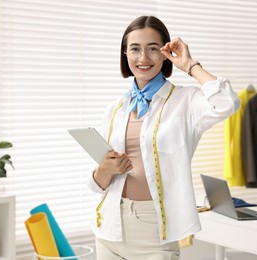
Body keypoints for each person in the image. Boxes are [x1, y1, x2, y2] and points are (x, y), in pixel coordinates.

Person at [88, 15, 240, 259]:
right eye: (135, 49)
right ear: (125, 54)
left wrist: (190, 65)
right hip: (109, 227)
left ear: (166, 53)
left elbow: (226, 103)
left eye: (152, 49)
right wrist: (104, 170)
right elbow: (97, 185)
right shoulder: (116, 108)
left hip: (153, 230)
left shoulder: (185, 101)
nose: (143, 58)